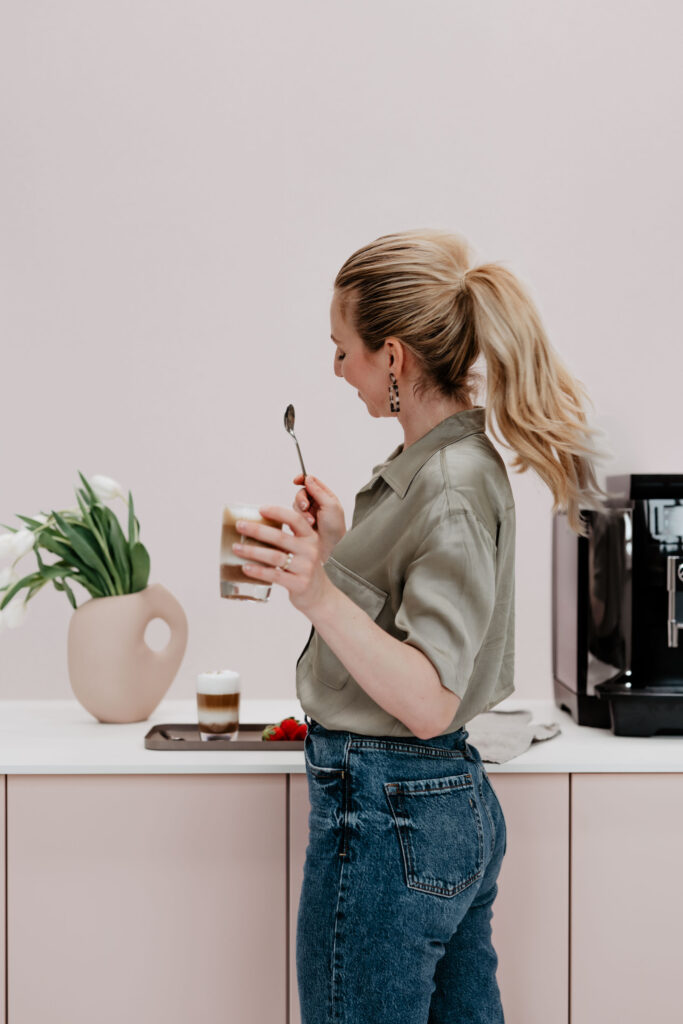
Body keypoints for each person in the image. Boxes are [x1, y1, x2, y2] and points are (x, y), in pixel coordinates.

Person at [231, 229, 609, 1023]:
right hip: (428, 807)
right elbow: (415, 642)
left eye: (344, 351)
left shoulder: (445, 485)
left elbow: (431, 699)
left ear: (393, 358)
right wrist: (338, 553)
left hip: (388, 810)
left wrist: (315, 594)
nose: (338, 371)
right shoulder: (448, 470)